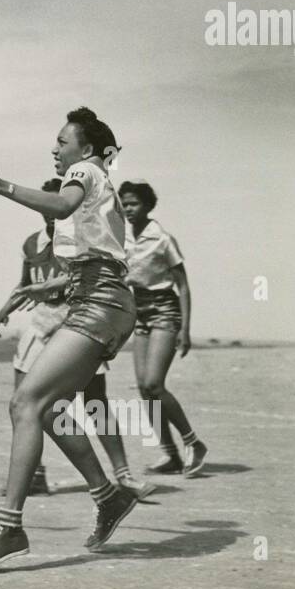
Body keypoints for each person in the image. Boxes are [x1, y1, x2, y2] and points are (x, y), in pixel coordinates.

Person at [0, 108, 140, 571]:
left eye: (62, 141)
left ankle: (10, 527)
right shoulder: (100, 183)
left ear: (86, 148)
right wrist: (50, 287)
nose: (55, 149)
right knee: (51, 408)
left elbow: (60, 206)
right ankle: (107, 496)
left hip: (100, 305)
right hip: (99, 299)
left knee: (24, 404)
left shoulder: (84, 170)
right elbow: (100, 258)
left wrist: (1, 186)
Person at [0, 180, 153, 500]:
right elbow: (26, 284)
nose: (50, 215)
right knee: (24, 400)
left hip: (76, 317)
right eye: (44, 208)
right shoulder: (32, 244)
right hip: (42, 320)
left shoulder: (83, 239)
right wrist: (4, 311)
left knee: (95, 402)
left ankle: (123, 475)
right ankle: (36, 475)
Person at [118, 180, 207, 477]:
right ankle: (170, 455)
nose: (128, 209)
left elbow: (183, 285)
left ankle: (193, 443)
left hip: (165, 309)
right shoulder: (122, 238)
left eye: (134, 204)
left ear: (147, 206)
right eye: (125, 204)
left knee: (155, 384)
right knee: (144, 390)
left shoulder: (163, 239)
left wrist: (186, 329)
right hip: (138, 312)